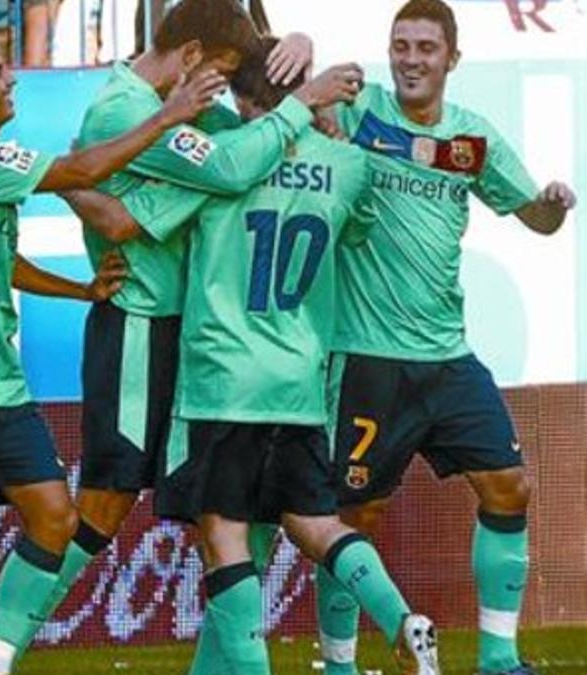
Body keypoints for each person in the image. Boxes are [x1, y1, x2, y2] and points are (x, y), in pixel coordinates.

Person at [75, 36, 443, 674]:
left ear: (243, 98)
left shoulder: (224, 164)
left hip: (221, 378)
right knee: (316, 522)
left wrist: (70, 185)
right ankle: (402, 618)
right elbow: (356, 228)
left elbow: (127, 223)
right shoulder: (347, 165)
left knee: (222, 533)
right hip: (299, 379)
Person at [0, 26, 225, 675]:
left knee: (54, 515)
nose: (13, 80)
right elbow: (82, 171)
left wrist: (80, 288)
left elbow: (2, 258)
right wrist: (173, 112)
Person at [48, 3, 362, 660]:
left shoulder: (202, 111)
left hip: (200, 340)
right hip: (146, 325)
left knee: (221, 517)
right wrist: (69, 182)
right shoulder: (125, 109)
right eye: (221, 70)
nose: (225, 86)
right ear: (192, 57)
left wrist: (297, 51)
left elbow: (246, 132)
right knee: (109, 506)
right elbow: (223, 170)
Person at [313, 3, 576, 674]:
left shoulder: (473, 140)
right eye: (400, 46)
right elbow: (280, 88)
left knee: (510, 485)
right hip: (367, 356)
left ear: (451, 59)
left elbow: (537, 220)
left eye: (426, 48)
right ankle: (340, 663)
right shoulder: (360, 108)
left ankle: (498, 657)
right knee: (349, 515)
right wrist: (301, 63)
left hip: (448, 358)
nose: (410, 59)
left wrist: (551, 201)